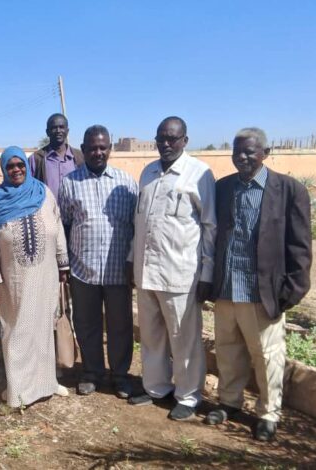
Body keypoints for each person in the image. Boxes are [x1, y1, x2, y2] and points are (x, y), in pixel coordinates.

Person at [204, 127, 312, 441]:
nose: (242, 157)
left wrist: (293, 290)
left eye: (249, 152)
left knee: (267, 355)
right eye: (237, 151)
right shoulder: (223, 188)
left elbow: (300, 245)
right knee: (228, 350)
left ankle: (268, 413)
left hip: (262, 292)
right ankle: (229, 402)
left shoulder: (288, 190)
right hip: (227, 287)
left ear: (265, 152)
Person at [126, 117, 216, 421]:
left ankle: (188, 396)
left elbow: (210, 227)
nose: (165, 144)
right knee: (151, 337)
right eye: (161, 138)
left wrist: (207, 274)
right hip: (147, 271)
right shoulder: (148, 173)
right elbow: (139, 222)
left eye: (172, 139)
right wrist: (132, 260)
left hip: (180, 275)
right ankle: (156, 388)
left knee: (184, 340)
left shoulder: (199, 173)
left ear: (184, 141)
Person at [0, 146, 71, 408]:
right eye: (10, 166)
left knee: (44, 328)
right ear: (4, 169)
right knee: (16, 330)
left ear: (27, 167)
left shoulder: (44, 193)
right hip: (14, 281)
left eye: (20, 165)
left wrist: (63, 264)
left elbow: (58, 227)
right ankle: (18, 391)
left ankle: (47, 383)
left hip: (46, 275)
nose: (16, 169)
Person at [57, 125, 139, 397]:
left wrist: (133, 263)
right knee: (86, 323)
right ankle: (92, 372)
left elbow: (135, 226)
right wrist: (64, 264)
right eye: (92, 148)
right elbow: (64, 225)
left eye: (103, 147)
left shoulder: (126, 183)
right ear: (84, 149)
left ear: (110, 149)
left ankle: (120, 375)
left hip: (118, 270)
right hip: (83, 269)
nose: (98, 152)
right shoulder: (70, 183)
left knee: (120, 325)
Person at [29, 113, 84, 197]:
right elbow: (28, 187)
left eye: (61, 127)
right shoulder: (36, 159)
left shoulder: (80, 156)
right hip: (46, 205)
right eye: (54, 128)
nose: (58, 131)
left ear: (67, 131)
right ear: (47, 132)